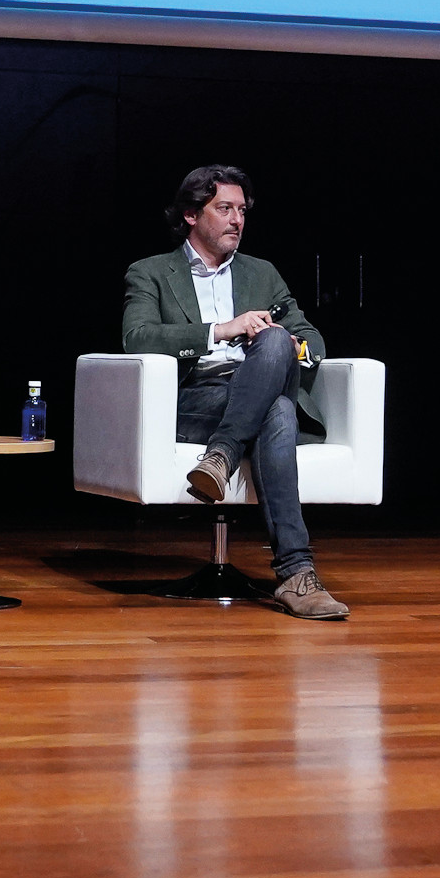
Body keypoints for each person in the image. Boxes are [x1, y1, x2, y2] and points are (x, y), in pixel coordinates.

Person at [120, 165, 347, 620]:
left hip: (254, 383)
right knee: (278, 412)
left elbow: (313, 340)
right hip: (196, 397)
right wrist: (222, 330)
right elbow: (137, 337)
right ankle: (296, 573)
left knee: (276, 342)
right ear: (191, 215)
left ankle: (220, 456)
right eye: (224, 209)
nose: (237, 220)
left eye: (242, 210)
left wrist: (286, 343)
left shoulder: (262, 273)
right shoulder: (151, 272)